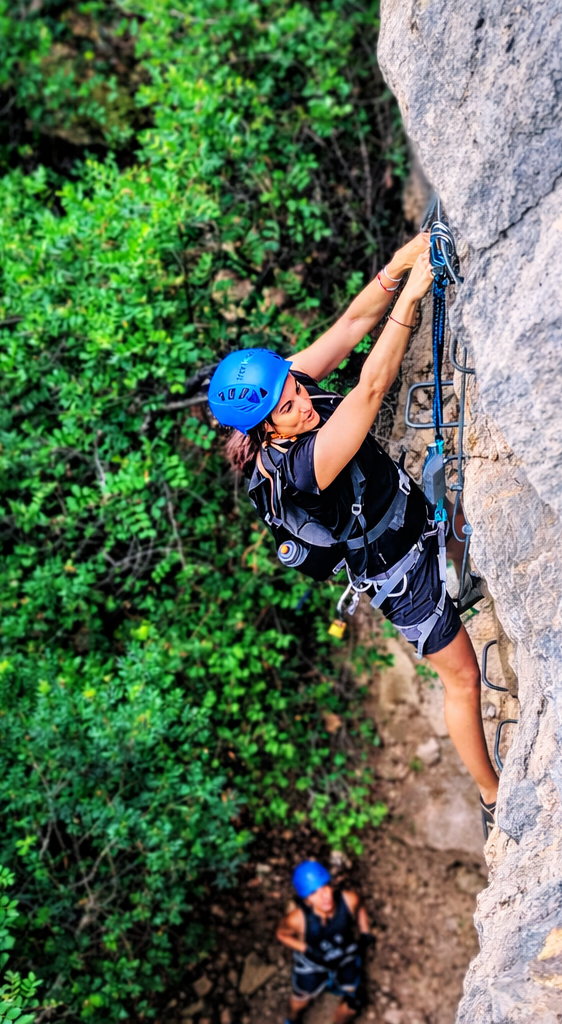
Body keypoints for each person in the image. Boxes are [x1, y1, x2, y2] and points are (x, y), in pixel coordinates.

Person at [207, 233, 500, 835]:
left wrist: (398, 264)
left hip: (413, 517)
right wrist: (411, 297)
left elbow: (348, 326)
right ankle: (494, 799)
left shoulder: (282, 393)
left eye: (294, 387)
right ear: (266, 432)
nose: (303, 402)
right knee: (463, 677)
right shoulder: (298, 469)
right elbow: (368, 389)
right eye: (288, 407)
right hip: (399, 578)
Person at [275, 860, 371, 1024]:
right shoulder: (298, 920)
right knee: (301, 998)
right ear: (307, 900)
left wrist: (365, 932)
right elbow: (281, 934)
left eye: (325, 887)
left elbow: (360, 906)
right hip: (313, 963)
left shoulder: (348, 900)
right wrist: (306, 949)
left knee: (353, 998)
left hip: (344, 955)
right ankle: (292, 1020)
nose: (324, 896)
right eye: (314, 893)